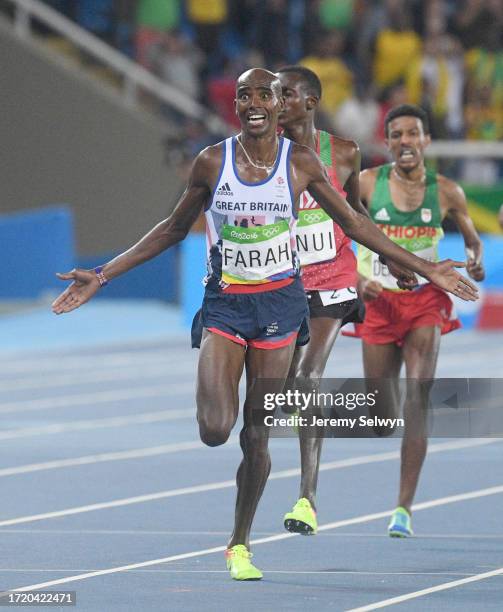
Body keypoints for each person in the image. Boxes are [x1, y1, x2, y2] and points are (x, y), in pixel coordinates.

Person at [52, 72, 478, 581]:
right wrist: (102, 274)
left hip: (280, 305)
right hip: (227, 305)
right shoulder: (214, 161)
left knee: (258, 435)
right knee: (215, 429)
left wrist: (428, 267)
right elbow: (170, 229)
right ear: (236, 105)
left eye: (264, 96)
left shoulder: (302, 163)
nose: (254, 104)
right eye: (244, 96)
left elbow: (355, 222)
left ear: (280, 105)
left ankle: (239, 543)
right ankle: (257, 482)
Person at [276, 65, 416, 536]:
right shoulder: (260, 155)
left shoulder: (345, 153)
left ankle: (307, 499)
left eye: (285, 93)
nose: (275, 101)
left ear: (310, 102)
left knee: (307, 373)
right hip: (279, 282)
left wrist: (391, 261)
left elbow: (354, 213)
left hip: (333, 279)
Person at [354, 104, 485, 537]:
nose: (405, 141)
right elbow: (339, 237)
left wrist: (475, 262)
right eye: (397, 134)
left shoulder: (447, 191)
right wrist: (358, 279)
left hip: (426, 302)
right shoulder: (367, 184)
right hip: (378, 302)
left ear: (426, 141)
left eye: (413, 133)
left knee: (417, 402)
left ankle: (402, 510)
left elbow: (472, 241)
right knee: (380, 418)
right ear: (387, 142)